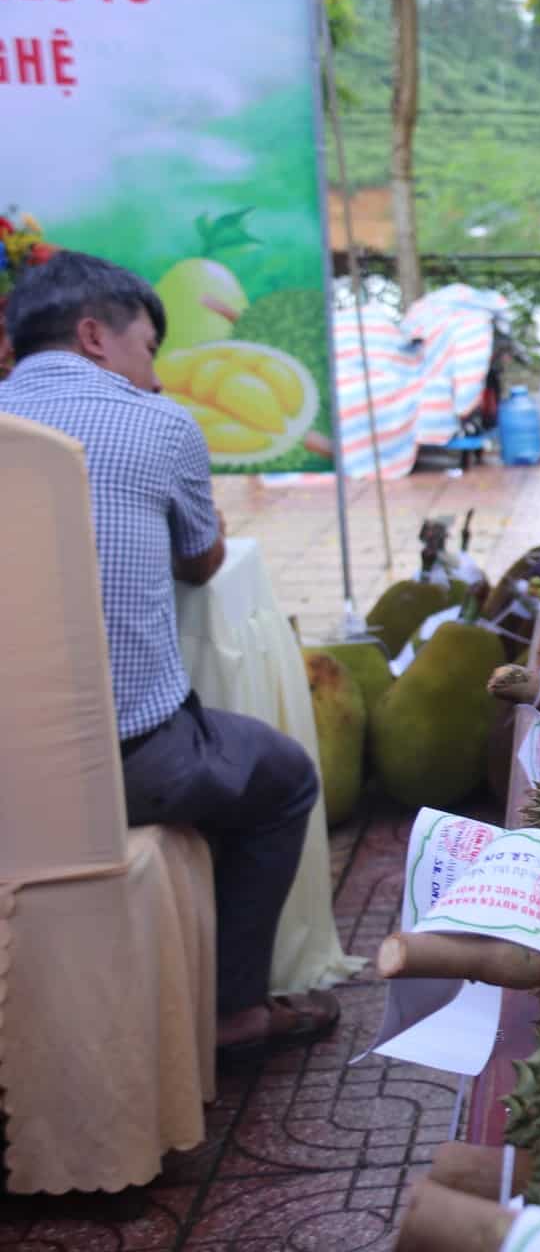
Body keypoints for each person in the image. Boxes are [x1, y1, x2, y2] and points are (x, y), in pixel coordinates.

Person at [0, 251, 338, 1062]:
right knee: (281, 777)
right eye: (147, 349)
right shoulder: (158, 423)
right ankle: (233, 1012)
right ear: (94, 336)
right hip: (124, 769)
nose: (152, 372)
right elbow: (202, 561)